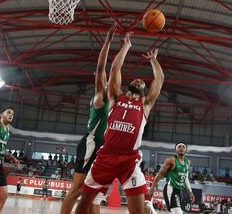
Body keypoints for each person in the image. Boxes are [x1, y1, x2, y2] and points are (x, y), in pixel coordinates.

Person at [75, 31, 165, 214]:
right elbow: (115, 69)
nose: (139, 80)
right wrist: (126, 46)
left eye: (142, 82)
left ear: (144, 90)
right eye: (136, 80)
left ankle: (148, 208)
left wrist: (153, 60)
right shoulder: (116, 98)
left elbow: (160, 79)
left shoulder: (145, 104)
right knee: (84, 202)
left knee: (139, 211)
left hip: (129, 160)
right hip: (106, 156)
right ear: (130, 85)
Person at [60, 25, 116, 214]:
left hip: (102, 148)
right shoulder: (100, 97)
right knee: (75, 191)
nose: (107, 81)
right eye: (104, 79)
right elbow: (101, 68)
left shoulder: (113, 101)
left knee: (94, 195)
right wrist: (108, 42)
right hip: (90, 144)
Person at [146, 142, 195, 214]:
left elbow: (185, 178)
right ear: (175, 150)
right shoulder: (171, 160)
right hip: (171, 189)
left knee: (173, 212)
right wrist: (152, 188)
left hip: (179, 191)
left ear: (186, 150)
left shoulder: (188, 162)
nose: (181, 148)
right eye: (179, 147)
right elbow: (160, 174)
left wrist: (190, 192)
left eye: (183, 147)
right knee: (177, 212)